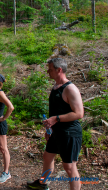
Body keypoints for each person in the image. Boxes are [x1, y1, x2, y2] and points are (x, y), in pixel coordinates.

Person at [27, 58, 84, 190]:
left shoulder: (70, 88)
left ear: (59, 70)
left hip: (70, 133)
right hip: (56, 132)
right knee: (47, 156)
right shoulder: (55, 87)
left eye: (50, 69)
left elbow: (79, 113)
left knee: (69, 167)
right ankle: (42, 184)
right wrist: (50, 128)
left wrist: (55, 119)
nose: (48, 72)